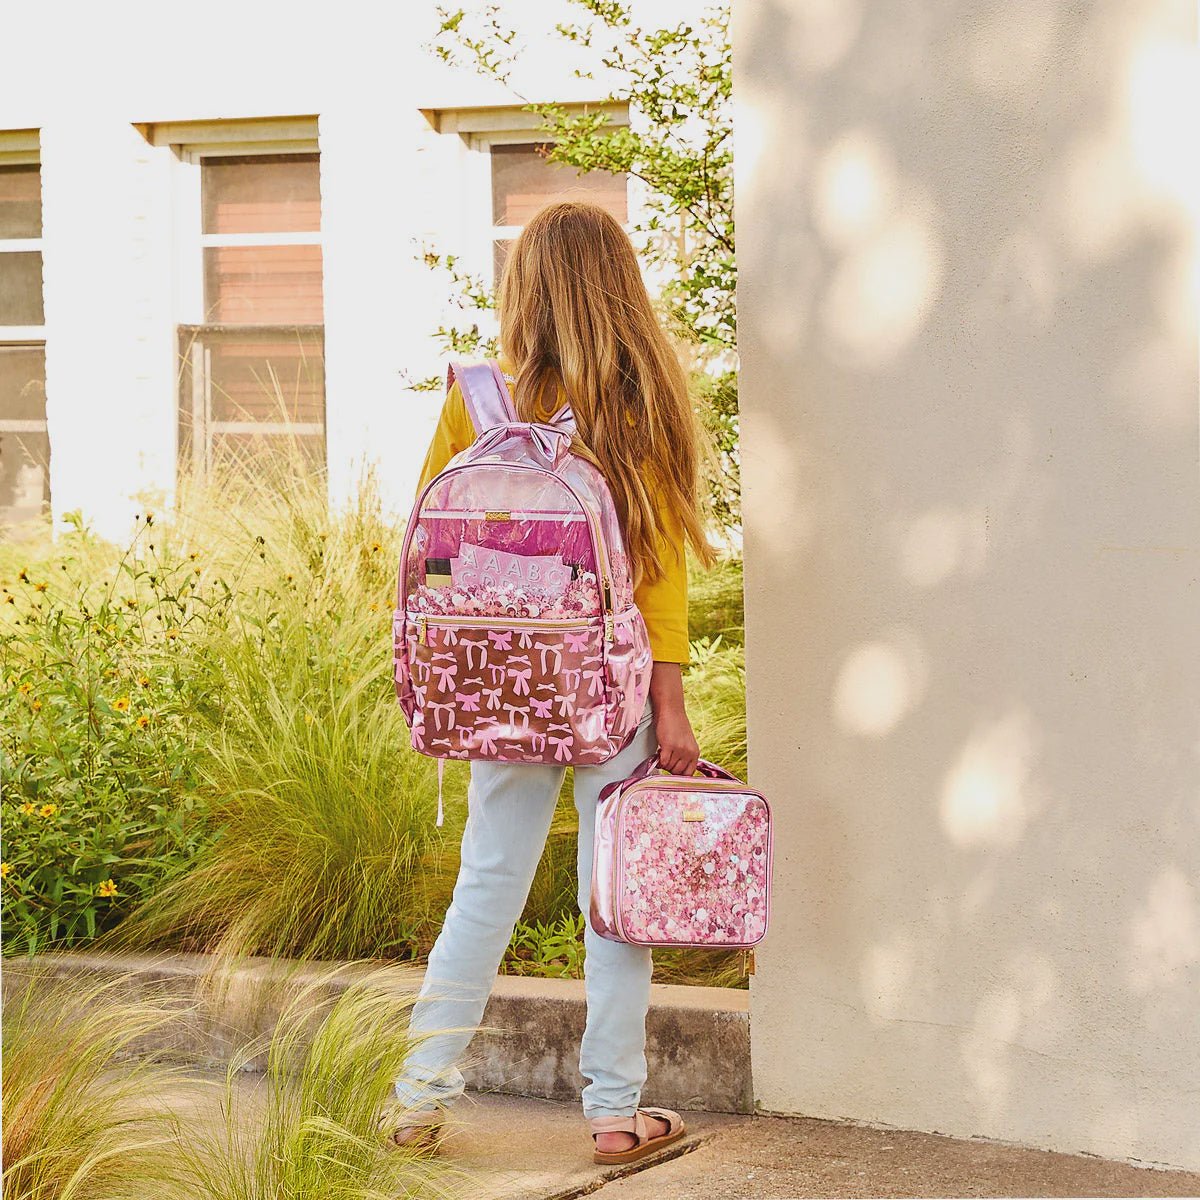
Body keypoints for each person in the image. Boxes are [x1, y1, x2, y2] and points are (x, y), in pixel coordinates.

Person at [382, 200, 714, 1165]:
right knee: (613, 899)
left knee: (485, 886)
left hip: (498, 686)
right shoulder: (634, 400)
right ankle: (615, 1114)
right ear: (618, 285)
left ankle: (417, 1100)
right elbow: (659, 573)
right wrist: (672, 707)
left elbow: (426, 549)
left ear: (526, 287)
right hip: (606, 692)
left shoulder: (475, 396)